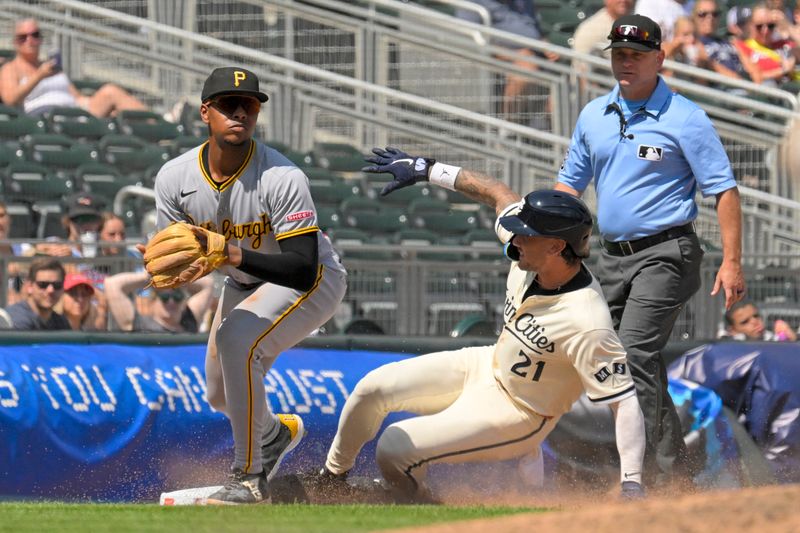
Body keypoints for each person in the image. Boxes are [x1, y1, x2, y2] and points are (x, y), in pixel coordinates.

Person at [304, 154, 646, 502]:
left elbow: (624, 402)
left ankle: (414, 502)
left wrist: (631, 483)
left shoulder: (587, 321)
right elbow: (498, 193)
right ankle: (332, 478)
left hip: (521, 411)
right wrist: (429, 169)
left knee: (394, 447)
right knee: (371, 388)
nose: (515, 239)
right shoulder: (531, 253)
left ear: (556, 246)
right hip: (485, 364)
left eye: (526, 234)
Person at [555, 14, 746, 487]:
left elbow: (724, 191)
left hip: (668, 252)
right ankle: (663, 471)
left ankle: (663, 478)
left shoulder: (686, 117)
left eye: (636, 55)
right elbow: (567, 188)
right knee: (620, 359)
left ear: (660, 58)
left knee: (635, 352)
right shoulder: (593, 115)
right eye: (619, 53)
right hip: (609, 256)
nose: (626, 62)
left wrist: (733, 260)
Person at [150, 66, 347, 504]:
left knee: (237, 340)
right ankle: (274, 436)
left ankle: (249, 478)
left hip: (313, 279)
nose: (240, 111)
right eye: (228, 104)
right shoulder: (174, 179)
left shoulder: (283, 177)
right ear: (206, 112)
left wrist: (230, 252)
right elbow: (181, 258)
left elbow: (300, 267)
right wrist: (177, 271)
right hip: (243, 281)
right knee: (219, 392)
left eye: (249, 105)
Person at [0, 18, 146, 117]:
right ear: (15, 42)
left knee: (110, 91)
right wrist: (39, 76)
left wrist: (106, 107)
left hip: (75, 113)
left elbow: (77, 98)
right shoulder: (10, 68)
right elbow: (11, 99)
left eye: (35, 35)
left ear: (41, 39)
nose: (30, 40)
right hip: (44, 117)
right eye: (23, 37)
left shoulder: (51, 67)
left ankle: (160, 123)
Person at [456, 0, 559, 123]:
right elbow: (470, 41)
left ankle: (553, 137)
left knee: (565, 89)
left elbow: (534, 31)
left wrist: (546, 46)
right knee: (526, 68)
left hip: (537, 56)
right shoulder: (474, 3)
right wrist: (513, 55)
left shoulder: (523, 3)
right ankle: (507, 130)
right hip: (499, 61)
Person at [104, 269, 213, 333]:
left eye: (177, 296)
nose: (171, 302)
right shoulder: (139, 325)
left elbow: (208, 284)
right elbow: (112, 284)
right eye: (164, 297)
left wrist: (179, 276)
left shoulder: (190, 320)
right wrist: (150, 277)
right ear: (154, 299)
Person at [694, 0, 761, 84]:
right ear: (694, 17)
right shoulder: (694, 43)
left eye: (715, 14)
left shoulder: (730, 42)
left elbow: (754, 72)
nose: (710, 18)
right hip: (720, 91)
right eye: (703, 14)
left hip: (743, 88)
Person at [734, 4, 799, 87]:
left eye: (770, 26)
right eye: (759, 26)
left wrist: (787, 25)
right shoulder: (744, 47)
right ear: (751, 26)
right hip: (775, 91)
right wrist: (783, 70)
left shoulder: (784, 44)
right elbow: (756, 77)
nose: (765, 31)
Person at [4, 257, 70, 330]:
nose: (50, 290)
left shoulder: (61, 322)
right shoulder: (14, 320)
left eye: (57, 285)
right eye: (43, 284)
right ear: (29, 286)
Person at [720, 300, 798, 342]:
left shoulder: (773, 339)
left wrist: (792, 338)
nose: (755, 322)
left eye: (756, 316)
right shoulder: (727, 345)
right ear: (732, 330)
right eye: (745, 322)